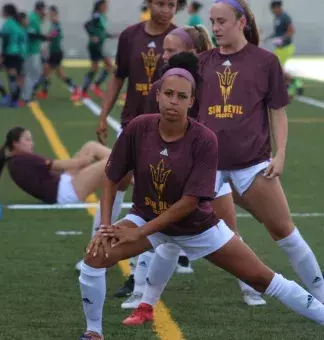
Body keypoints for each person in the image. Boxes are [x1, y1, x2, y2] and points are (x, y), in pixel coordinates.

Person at [78, 54, 324, 340]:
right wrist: (105, 226)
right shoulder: (138, 128)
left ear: (192, 102)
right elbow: (111, 177)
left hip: (198, 228)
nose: (173, 101)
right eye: (168, 93)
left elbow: (190, 202)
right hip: (146, 218)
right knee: (94, 256)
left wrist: (140, 233)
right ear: (157, 95)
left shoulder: (204, 139)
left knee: (262, 279)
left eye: (182, 96)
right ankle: (93, 332)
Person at [195, 0, 324, 305]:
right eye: (212, 22)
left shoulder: (265, 61)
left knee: (284, 231)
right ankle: (143, 297)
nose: (215, 28)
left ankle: (320, 295)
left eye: (222, 21)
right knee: (171, 234)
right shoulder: (202, 62)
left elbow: (277, 111)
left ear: (242, 23)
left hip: (252, 164)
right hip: (207, 167)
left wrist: (279, 155)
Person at [93, 0, 187, 299]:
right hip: (133, 122)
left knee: (161, 189)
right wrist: (104, 113)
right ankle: (98, 244)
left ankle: (152, 265)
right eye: (160, 3)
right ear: (148, 4)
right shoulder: (129, 36)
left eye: (172, 4)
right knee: (118, 180)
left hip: (170, 128)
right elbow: (119, 77)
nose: (166, 10)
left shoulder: (180, 37)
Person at [0, 127, 112, 205]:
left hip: (62, 184)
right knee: (111, 162)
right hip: (66, 193)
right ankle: (131, 171)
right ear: (16, 143)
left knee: (91, 146)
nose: (32, 143)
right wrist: (84, 160)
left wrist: (83, 160)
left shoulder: (14, 160)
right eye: (27, 140)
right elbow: (60, 165)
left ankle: (132, 173)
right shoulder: (24, 159)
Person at [71, 0, 113, 101]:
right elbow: (87, 25)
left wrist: (112, 35)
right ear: (100, 6)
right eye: (105, 5)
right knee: (108, 65)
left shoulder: (101, 16)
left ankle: (86, 90)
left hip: (98, 46)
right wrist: (92, 36)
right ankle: (94, 86)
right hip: (95, 46)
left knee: (95, 68)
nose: (107, 7)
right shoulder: (97, 15)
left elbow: (101, 31)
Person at [34, 5, 77, 99]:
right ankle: (43, 92)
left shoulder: (55, 24)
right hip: (54, 52)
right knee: (52, 73)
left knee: (48, 72)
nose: (48, 14)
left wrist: (46, 38)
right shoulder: (53, 24)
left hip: (55, 53)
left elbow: (54, 34)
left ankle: (76, 89)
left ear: (54, 13)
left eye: (50, 13)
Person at [267, 1, 303, 98]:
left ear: (278, 8)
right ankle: (294, 84)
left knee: (278, 68)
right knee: (276, 68)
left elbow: (291, 30)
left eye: (274, 9)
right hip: (279, 48)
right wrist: (268, 38)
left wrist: (283, 38)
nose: (273, 11)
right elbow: (277, 32)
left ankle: (294, 84)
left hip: (286, 47)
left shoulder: (285, 17)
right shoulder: (276, 18)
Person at [0, 3, 26, 107]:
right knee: (15, 77)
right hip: (18, 54)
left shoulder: (7, 23)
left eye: (2, 11)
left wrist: (2, 55)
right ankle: (14, 100)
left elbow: (6, 40)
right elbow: (21, 37)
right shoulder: (16, 23)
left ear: (6, 12)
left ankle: (8, 98)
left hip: (9, 53)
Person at [21, 1, 48, 105]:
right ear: (39, 9)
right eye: (43, 10)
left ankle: (26, 94)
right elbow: (31, 34)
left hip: (34, 49)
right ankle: (26, 96)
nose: (44, 12)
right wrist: (43, 37)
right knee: (33, 73)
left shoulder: (35, 18)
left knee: (34, 73)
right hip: (31, 51)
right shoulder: (33, 18)